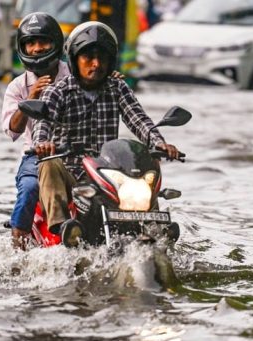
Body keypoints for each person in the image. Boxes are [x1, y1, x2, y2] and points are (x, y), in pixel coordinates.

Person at [32, 22, 180, 247]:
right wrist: (42, 143)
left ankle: (154, 229)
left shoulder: (118, 87)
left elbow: (139, 119)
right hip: (72, 176)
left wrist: (160, 144)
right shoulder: (58, 91)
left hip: (110, 175)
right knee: (47, 165)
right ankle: (63, 228)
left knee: (150, 164)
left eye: (103, 58)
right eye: (88, 57)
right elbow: (42, 123)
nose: (96, 64)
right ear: (74, 59)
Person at [2, 12, 69, 250]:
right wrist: (31, 99)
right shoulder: (17, 87)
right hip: (35, 155)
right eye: (31, 43)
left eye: (43, 41)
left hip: (75, 151)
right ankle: (17, 245)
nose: (37, 48)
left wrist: (108, 78)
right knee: (29, 188)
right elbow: (13, 130)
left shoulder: (74, 75)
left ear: (56, 44)